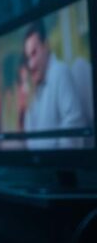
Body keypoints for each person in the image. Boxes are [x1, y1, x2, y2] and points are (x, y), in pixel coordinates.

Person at [22, 20, 86, 150]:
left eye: (34, 53)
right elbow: (30, 141)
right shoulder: (36, 87)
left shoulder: (60, 73)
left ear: (46, 46)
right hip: (42, 168)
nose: (31, 64)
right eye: (28, 57)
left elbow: (74, 129)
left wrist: (47, 154)